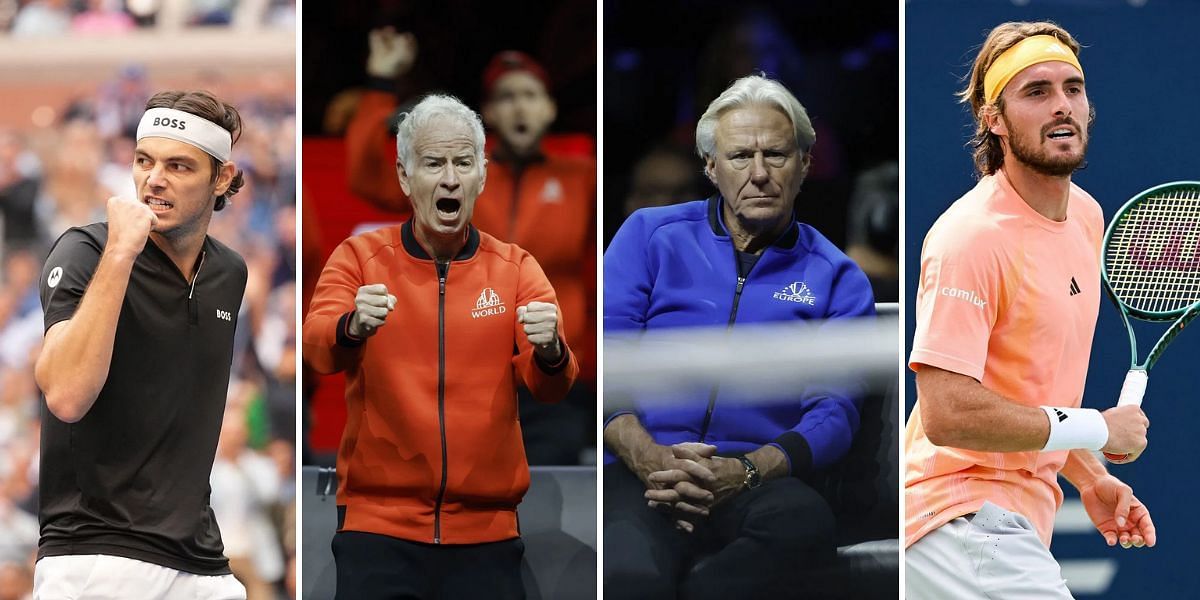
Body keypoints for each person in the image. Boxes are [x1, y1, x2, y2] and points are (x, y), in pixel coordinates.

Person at [904, 22, 1154, 599]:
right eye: (1036, 92)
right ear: (994, 119)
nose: (1062, 106)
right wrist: (1098, 427)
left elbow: (1026, 393)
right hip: (956, 517)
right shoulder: (970, 237)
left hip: (1012, 519)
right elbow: (945, 413)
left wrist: (1090, 475)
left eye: (1073, 87)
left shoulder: (1088, 218)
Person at [602, 74, 876, 599]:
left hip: (757, 478)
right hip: (644, 472)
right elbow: (607, 361)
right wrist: (648, 457)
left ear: (805, 164)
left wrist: (746, 470)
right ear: (710, 167)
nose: (759, 174)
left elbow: (834, 413)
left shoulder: (837, 276)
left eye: (776, 155)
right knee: (628, 574)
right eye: (739, 156)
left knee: (804, 526)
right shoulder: (648, 236)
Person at [303, 94, 578, 599]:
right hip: (377, 529)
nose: (450, 178)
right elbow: (317, 349)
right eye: (434, 164)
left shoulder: (516, 267)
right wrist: (351, 326)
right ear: (405, 178)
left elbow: (552, 387)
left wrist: (551, 351)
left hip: (487, 533)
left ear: (482, 175)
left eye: (463, 163)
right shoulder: (360, 258)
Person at [33, 90, 248, 599]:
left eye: (179, 166)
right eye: (143, 161)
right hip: (94, 555)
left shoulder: (229, 273)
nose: (154, 179)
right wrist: (121, 251)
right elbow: (65, 393)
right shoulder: (88, 250)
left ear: (222, 178)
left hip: (201, 559)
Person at [345, 35, 596, 464]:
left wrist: (583, 366)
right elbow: (365, 175)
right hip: (467, 375)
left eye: (530, 96)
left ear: (549, 109)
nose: (519, 107)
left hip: (551, 372)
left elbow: (599, 275)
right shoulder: (457, 176)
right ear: (490, 113)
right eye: (506, 97)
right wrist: (381, 83)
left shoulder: (583, 177)